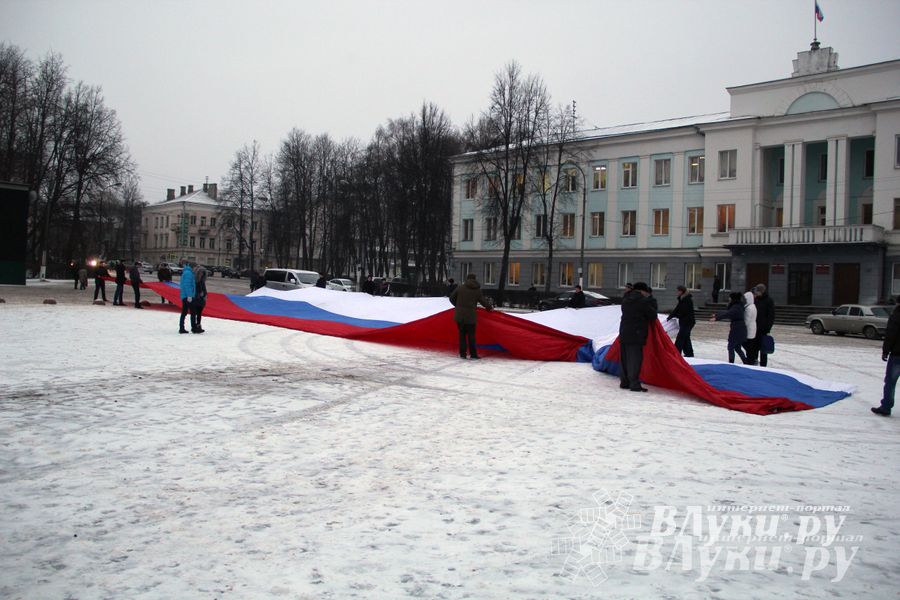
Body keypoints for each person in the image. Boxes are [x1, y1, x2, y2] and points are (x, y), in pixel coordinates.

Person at [618, 281, 657, 392]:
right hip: (636, 333)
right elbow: (652, 315)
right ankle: (634, 384)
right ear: (642, 290)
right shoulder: (642, 301)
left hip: (624, 331)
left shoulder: (625, 299)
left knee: (624, 359)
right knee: (634, 360)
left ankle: (624, 382)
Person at [449, 272, 493, 359]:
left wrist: (457, 306)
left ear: (467, 278)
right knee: (471, 336)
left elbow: (451, 298)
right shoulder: (477, 290)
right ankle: (473, 354)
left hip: (460, 316)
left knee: (462, 335)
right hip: (471, 317)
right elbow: (483, 301)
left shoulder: (460, 288)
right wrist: (489, 308)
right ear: (475, 279)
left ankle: (463, 354)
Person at [873, 298, 900, 417]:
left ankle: (886, 407)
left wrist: (885, 351)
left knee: (890, 382)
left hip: (897, 354)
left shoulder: (897, 315)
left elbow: (891, 334)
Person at [711, 292, 747, 364]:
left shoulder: (736, 307)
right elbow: (727, 312)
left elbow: (728, 314)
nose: (729, 299)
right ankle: (745, 361)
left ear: (733, 299)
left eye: (730, 297)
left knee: (731, 346)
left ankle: (731, 363)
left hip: (737, 329)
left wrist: (717, 318)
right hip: (739, 328)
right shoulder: (737, 306)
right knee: (737, 348)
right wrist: (717, 314)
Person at [749, 284, 775, 367]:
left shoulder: (769, 301)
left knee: (763, 348)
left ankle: (763, 366)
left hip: (763, 329)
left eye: (757, 291)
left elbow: (771, 316)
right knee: (753, 347)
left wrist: (768, 328)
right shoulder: (755, 300)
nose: (756, 293)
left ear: (762, 291)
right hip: (754, 327)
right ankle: (754, 362)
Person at [666, 285, 695, 357]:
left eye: (678, 291)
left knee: (680, 337)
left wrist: (676, 315)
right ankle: (689, 353)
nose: (677, 292)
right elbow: (677, 309)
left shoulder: (687, 300)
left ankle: (675, 353)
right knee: (686, 337)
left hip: (688, 322)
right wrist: (670, 316)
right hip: (685, 321)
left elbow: (683, 311)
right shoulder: (682, 299)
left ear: (681, 291)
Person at [179, 262, 196, 333]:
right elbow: (187, 285)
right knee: (192, 312)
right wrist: (189, 295)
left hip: (185, 295)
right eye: (195, 268)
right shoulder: (189, 273)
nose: (195, 269)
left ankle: (182, 328)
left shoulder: (186, 272)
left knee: (184, 312)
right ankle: (194, 328)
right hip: (188, 296)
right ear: (193, 267)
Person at [741, 290, 757, 364]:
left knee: (748, 346)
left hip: (749, 329)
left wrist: (742, 327)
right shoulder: (753, 306)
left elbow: (747, 320)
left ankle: (750, 360)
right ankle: (751, 359)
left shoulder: (748, 308)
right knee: (750, 345)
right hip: (752, 327)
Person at [191, 266, 208, 333]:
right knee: (195, 313)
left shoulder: (202, 281)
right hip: (196, 299)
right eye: (201, 273)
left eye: (203, 273)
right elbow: (194, 290)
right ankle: (194, 327)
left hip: (201, 300)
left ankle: (198, 325)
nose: (201, 275)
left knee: (199, 313)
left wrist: (205, 295)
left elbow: (204, 289)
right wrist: (199, 295)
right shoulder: (195, 281)